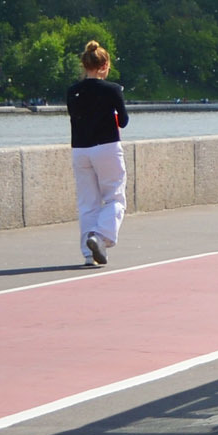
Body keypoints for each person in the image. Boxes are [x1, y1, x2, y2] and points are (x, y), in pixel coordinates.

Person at [66, 40, 128, 266]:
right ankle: (100, 237)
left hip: (80, 149)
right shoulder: (112, 90)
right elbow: (123, 121)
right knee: (115, 197)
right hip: (107, 147)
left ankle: (87, 254)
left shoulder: (73, 92)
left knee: (87, 203)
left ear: (85, 65)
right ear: (104, 66)